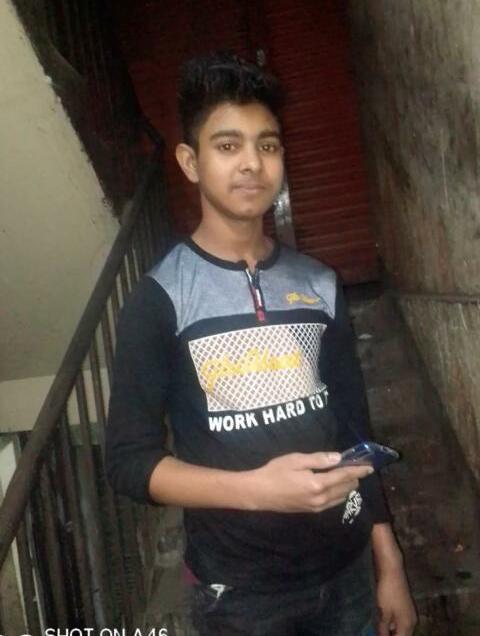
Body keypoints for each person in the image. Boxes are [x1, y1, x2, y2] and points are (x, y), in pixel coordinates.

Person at [105, 51, 417, 636]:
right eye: (228, 145)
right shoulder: (161, 298)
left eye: (267, 145)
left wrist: (389, 560)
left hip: (347, 570)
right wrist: (257, 492)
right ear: (190, 162)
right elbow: (128, 463)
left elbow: (354, 431)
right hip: (240, 595)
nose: (252, 163)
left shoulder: (319, 283)